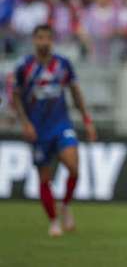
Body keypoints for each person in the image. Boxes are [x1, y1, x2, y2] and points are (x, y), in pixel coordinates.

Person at [12, 24, 97, 237]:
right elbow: (15, 97)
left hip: (62, 125)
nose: (44, 42)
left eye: (47, 38)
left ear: (52, 40)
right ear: (34, 40)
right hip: (38, 129)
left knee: (74, 167)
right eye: (40, 37)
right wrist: (25, 123)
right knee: (44, 177)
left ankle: (65, 205)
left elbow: (75, 92)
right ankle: (53, 221)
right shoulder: (24, 67)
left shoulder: (63, 64)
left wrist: (87, 119)